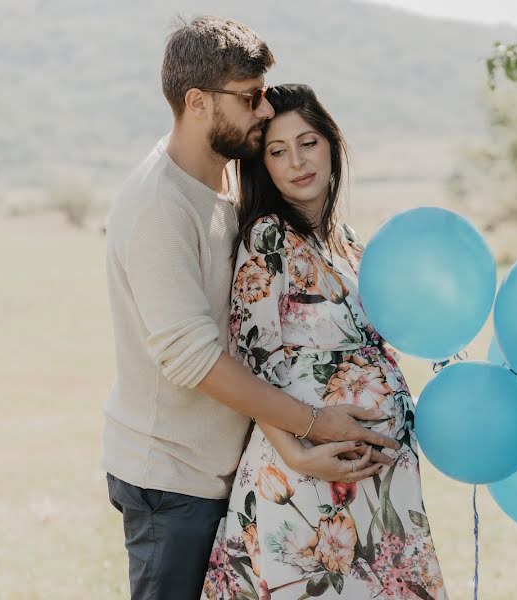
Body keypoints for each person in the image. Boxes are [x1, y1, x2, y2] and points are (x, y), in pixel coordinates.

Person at [103, 18, 396, 600]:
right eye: (249, 96)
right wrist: (310, 425)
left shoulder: (223, 188)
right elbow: (196, 360)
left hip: (224, 468)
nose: (264, 110)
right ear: (197, 102)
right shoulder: (159, 204)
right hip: (173, 478)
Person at [201, 84, 448, 600]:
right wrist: (297, 454)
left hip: (378, 488)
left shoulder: (350, 243)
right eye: (277, 151)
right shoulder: (268, 237)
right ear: (262, 166)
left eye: (308, 142)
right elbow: (250, 360)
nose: (296, 161)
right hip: (307, 484)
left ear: (332, 145)